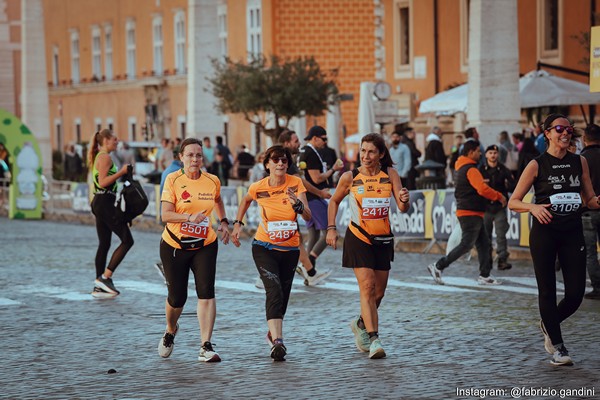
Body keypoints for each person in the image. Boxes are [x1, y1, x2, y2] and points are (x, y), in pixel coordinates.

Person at [508, 114, 600, 366]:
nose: (565, 133)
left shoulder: (579, 161)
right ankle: (558, 348)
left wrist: (597, 202)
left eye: (569, 129)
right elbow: (513, 201)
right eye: (559, 129)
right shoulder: (536, 164)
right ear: (546, 133)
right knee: (547, 290)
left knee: (575, 294)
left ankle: (549, 322)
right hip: (545, 233)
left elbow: (589, 199)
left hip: (572, 231)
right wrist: (534, 208)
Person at [326, 133, 410, 359]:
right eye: (363, 151)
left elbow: (402, 208)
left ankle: (360, 322)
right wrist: (331, 228)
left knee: (379, 293)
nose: (365, 155)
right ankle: (374, 340)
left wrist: (404, 198)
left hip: (382, 240)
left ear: (381, 154)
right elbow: (334, 201)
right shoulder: (349, 177)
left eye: (371, 151)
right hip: (358, 238)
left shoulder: (390, 174)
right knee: (368, 286)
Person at [231, 145, 311, 361]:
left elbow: (308, 216)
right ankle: (278, 342)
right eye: (275, 160)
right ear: (267, 164)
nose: (280, 163)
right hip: (264, 247)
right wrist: (238, 224)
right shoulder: (259, 186)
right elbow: (246, 200)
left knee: (283, 296)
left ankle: (272, 331)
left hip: (290, 249)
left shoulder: (295, 183)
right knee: (273, 290)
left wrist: (298, 206)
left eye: (284, 160)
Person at [157, 138, 231, 363]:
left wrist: (224, 222)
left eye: (198, 155)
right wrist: (189, 217)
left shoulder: (212, 180)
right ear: (181, 157)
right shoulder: (173, 179)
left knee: (207, 292)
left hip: (205, 244)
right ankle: (170, 330)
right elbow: (165, 215)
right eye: (190, 155)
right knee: (177, 298)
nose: (195, 159)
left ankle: (205, 345)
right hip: (175, 245)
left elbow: (217, 200)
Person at [427, 140, 506, 286]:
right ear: (470, 152)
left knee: (483, 243)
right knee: (466, 244)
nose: (480, 153)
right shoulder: (471, 169)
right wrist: (499, 196)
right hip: (470, 211)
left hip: (471, 211)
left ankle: (485, 275)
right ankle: (438, 266)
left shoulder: (461, 167)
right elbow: (482, 189)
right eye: (478, 151)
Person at [279, 129, 332, 286]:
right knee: (280, 242)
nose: (299, 144)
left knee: (298, 240)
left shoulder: (283, 157)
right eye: (295, 141)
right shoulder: (284, 158)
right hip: (284, 206)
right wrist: (320, 193)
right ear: (287, 143)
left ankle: (310, 272)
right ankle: (266, 275)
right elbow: (301, 182)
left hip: (287, 205)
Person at [88, 129, 134, 298]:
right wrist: (121, 172)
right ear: (106, 141)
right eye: (114, 139)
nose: (117, 141)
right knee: (127, 240)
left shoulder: (100, 156)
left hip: (100, 202)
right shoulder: (105, 157)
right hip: (104, 201)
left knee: (104, 244)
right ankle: (105, 277)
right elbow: (102, 182)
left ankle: (98, 285)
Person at [299, 126, 344, 274]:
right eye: (323, 139)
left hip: (307, 196)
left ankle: (306, 266)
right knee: (329, 232)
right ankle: (309, 263)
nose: (325, 142)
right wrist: (333, 170)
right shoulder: (310, 152)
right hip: (314, 197)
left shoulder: (306, 151)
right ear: (315, 138)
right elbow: (316, 178)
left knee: (313, 233)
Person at [479, 145, 515, 270]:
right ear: (486, 155)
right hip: (486, 207)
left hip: (500, 207)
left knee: (501, 234)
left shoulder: (503, 169)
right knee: (486, 236)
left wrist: (509, 185)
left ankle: (502, 260)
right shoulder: (481, 170)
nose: (493, 155)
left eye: (495, 153)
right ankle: (487, 261)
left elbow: (512, 185)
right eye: (490, 153)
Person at [153, 147, 185, 283]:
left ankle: (168, 268)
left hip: (167, 211)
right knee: (178, 242)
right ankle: (166, 267)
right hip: (175, 212)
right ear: (181, 156)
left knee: (175, 241)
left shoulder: (167, 170)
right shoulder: (176, 172)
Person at [580, 124, 600, 300]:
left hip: (588, 211)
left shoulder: (581, 159)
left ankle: (597, 287)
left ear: (583, 139)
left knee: (590, 251)